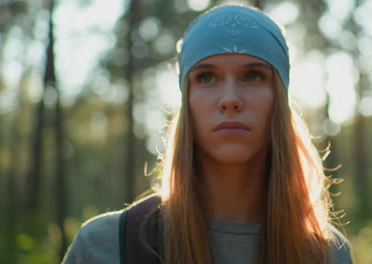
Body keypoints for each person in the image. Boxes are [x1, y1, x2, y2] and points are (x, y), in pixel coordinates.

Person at [62, 4, 354, 264]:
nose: (230, 99)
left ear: (280, 98)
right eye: (206, 77)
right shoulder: (107, 246)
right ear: (186, 100)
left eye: (253, 75)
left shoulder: (326, 253)